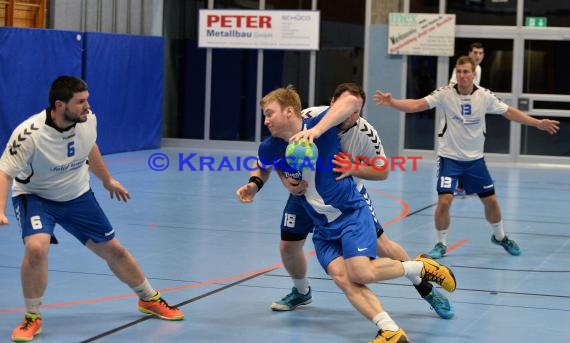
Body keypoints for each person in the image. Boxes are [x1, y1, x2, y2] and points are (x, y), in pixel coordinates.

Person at [237, 85, 457, 343]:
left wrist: (332, 145)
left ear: (287, 111)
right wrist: (258, 184)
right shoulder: (279, 137)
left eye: (269, 114)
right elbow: (266, 164)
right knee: (330, 270)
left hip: (348, 205)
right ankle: (389, 329)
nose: (265, 120)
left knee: (369, 261)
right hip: (315, 212)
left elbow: (353, 106)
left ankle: (422, 277)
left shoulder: (330, 125)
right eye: (264, 114)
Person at [0, 76, 184, 342]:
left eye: (87, 100)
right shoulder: (29, 134)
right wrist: (1, 209)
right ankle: (32, 317)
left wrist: (107, 180)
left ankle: (149, 298)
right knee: (36, 248)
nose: (88, 106)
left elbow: (90, 148)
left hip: (77, 195)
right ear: (60, 105)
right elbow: (5, 172)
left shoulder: (87, 121)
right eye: (81, 102)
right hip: (35, 196)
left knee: (115, 251)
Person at [374, 56, 560, 260]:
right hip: (449, 159)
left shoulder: (484, 96)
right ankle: (441, 244)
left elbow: (509, 112)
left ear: (473, 74)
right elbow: (417, 105)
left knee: (491, 201)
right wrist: (392, 102)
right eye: (459, 71)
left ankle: (500, 236)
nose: (462, 75)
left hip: (475, 161)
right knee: (444, 201)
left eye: (466, 72)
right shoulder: (444, 94)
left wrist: (537, 123)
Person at [450, 42, 485, 197]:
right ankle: (460, 186)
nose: (477, 55)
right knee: (459, 151)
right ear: (470, 53)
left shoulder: (478, 69)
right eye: (475, 52)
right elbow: (452, 87)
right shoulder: (462, 69)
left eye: (480, 53)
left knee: (473, 149)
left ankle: (471, 182)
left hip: (472, 115)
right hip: (458, 117)